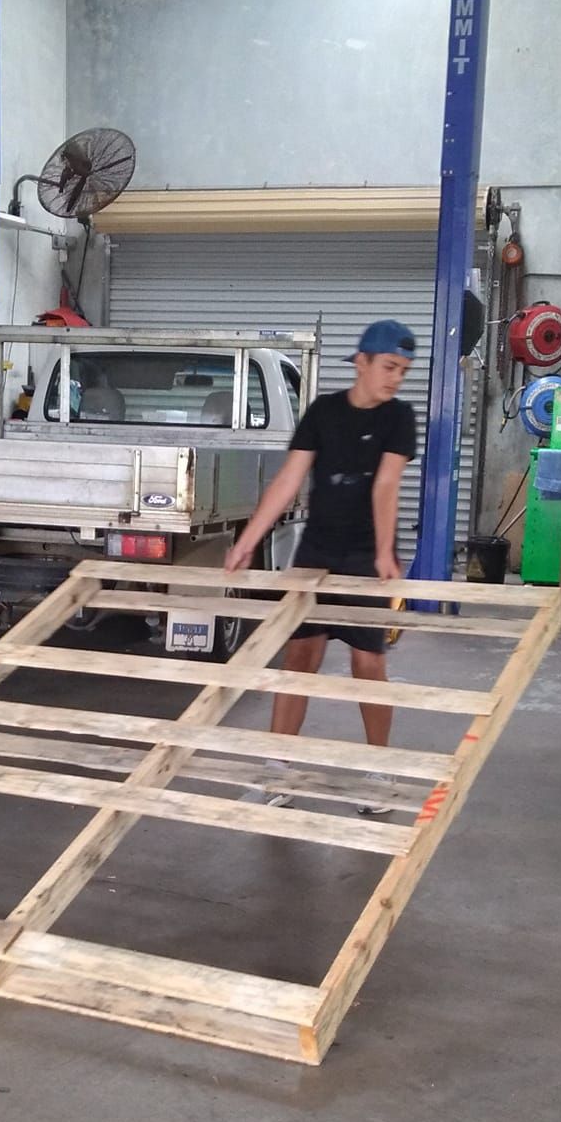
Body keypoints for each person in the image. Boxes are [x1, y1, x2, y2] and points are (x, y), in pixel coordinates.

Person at [223, 319, 417, 804]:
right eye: (389, 366)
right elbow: (289, 480)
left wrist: (382, 553)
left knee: (367, 661)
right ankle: (277, 770)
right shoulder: (323, 412)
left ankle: (378, 773)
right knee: (299, 658)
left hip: (364, 554)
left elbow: (386, 484)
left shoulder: (399, 418)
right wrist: (249, 539)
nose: (395, 378)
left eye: (403, 370)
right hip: (316, 550)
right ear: (362, 362)